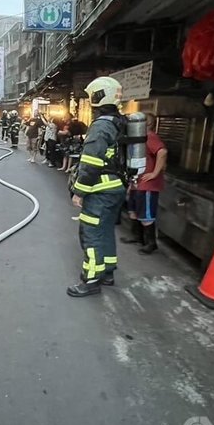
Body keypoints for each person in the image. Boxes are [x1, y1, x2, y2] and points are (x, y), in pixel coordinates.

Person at [67, 77, 127, 298]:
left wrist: (79, 192)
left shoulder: (101, 125)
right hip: (116, 189)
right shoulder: (119, 122)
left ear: (97, 96)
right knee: (106, 231)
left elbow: (91, 163)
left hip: (100, 191)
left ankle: (91, 280)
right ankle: (108, 272)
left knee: (91, 234)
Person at [123, 113, 167, 253]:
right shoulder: (139, 138)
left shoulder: (150, 137)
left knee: (146, 214)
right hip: (137, 181)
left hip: (147, 184)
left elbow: (162, 152)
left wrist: (154, 173)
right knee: (133, 211)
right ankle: (138, 237)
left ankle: (150, 243)